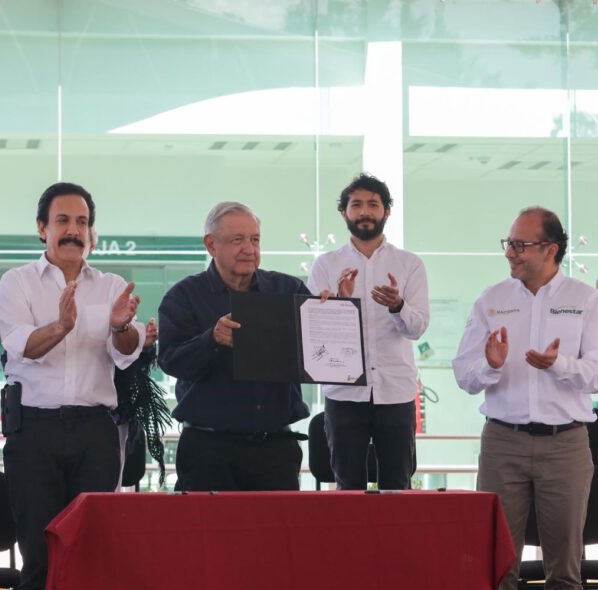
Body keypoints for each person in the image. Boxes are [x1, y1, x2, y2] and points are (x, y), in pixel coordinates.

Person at [0, 181, 146, 590]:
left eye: (82, 222)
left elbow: (128, 351)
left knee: (93, 555)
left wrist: (120, 328)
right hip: (34, 432)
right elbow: (21, 347)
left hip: (95, 433)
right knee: (38, 556)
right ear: (41, 227)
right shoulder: (17, 282)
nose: (73, 230)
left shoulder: (111, 285)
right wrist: (63, 326)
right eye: (62, 220)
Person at [453, 207, 598, 590]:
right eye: (509, 243)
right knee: (497, 566)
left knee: (566, 571)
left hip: (565, 443)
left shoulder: (586, 299)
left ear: (550, 249)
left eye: (520, 244)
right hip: (503, 442)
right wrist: (490, 366)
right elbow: (464, 376)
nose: (510, 252)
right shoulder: (491, 299)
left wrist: (559, 364)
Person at [158, 201, 309, 492]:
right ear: (210, 245)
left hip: (275, 450)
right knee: (207, 538)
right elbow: (170, 361)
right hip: (208, 451)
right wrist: (211, 340)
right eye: (237, 240)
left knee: (276, 538)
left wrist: (334, 310)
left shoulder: (288, 291)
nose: (249, 249)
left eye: (254, 239)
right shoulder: (184, 296)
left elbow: (318, 351)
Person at [307, 173, 429, 490]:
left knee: (397, 484)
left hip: (396, 391)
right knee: (347, 487)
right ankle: (349, 542)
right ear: (344, 212)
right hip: (343, 391)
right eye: (356, 204)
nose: (365, 212)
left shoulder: (409, 264)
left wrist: (398, 304)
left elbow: (417, 327)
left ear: (386, 211)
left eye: (373, 205)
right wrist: (341, 303)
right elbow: (314, 335)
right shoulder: (324, 265)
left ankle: (395, 541)